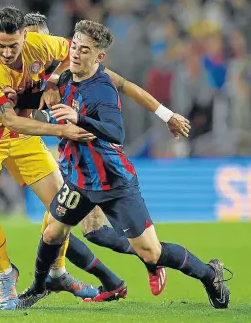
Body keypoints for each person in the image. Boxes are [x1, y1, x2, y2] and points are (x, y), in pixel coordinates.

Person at [17, 20, 232, 309]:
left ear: (99, 57)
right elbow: (42, 94)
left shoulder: (102, 90)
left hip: (114, 182)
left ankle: (209, 274)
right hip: (80, 181)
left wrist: (77, 118)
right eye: (75, 47)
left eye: (84, 50)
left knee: (152, 252)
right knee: (53, 232)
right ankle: (39, 286)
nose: (76, 54)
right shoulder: (67, 77)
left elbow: (116, 132)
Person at [0, 6, 113, 310]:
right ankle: (6, 273)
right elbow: (12, 122)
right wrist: (61, 130)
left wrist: (55, 80)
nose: (5, 52)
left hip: (22, 139)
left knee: (62, 207)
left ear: (23, 38)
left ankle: (57, 273)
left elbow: (73, 55)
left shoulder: (41, 45)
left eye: (12, 45)